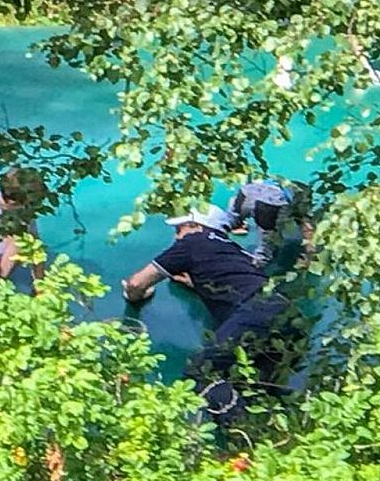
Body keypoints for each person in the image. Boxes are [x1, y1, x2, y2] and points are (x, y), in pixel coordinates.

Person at [121, 209, 304, 425]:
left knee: (202, 371)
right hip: (290, 316)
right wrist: (197, 282)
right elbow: (238, 280)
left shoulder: (192, 242)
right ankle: (277, 432)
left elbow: (137, 283)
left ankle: (240, 435)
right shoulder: (238, 252)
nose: (176, 236)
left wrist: (136, 295)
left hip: (256, 312)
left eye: (180, 229)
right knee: (255, 388)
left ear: (197, 226)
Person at [222, 179, 311, 269]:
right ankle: (257, 266)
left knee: (231, 218)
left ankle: (223, 232)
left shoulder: (281, 183)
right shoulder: (298, 198)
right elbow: (301, 216)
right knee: (267, 242)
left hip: (247, 193)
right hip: (270, 205)